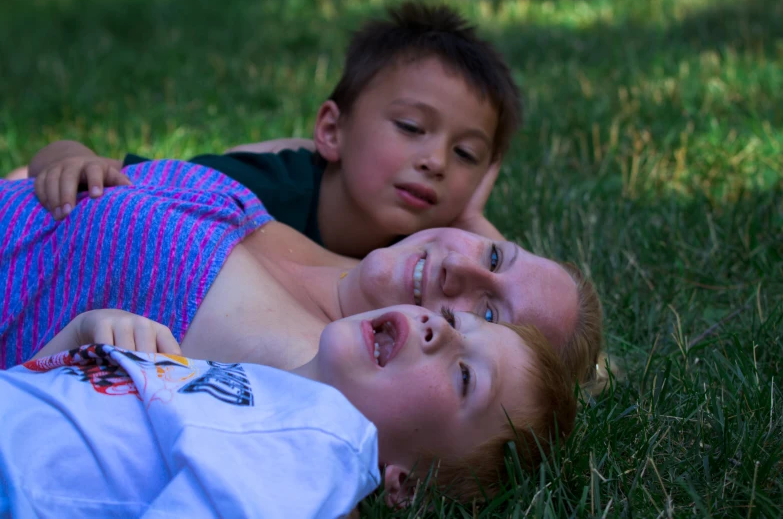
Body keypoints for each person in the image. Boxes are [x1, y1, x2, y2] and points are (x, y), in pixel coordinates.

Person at [1, 151, 602, 383]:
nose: (461, 272)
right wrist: (67, 157)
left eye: (489, 313)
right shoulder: (327, 234)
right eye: (494, 255)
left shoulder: (306, 364)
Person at [29, 2, 522, 258]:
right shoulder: (255, 190)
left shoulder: (431, 248)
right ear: (332, 130)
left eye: (465, 155)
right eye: (412, 126)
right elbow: (101, 176)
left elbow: (526, 322)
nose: (436, 161)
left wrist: (472, 223)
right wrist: (70, 159)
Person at [0, 304, 576, 516]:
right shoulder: (256, 389)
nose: (438, 328)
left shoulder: (326, 445)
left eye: (464, 375)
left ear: (401, 485)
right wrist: (81, 341)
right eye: (455, 321)